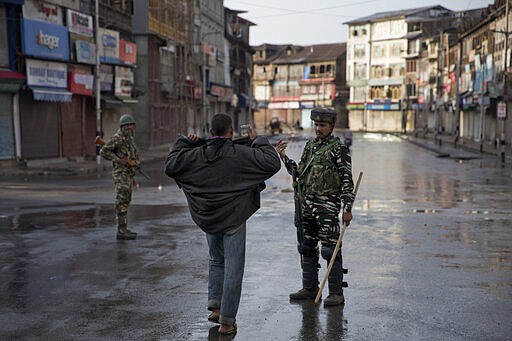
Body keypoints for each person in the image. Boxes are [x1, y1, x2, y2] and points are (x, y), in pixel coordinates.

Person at [164, 113, 280, 335]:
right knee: (233, 268)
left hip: (208, 217)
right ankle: (227, 322)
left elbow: (171, 164)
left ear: (210, 133)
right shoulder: (241, 154)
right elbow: (272, 162)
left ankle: (216, 307)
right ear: (232, 132)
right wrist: (258, 139)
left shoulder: (196, 154)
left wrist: (184, 141)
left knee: (217, 260)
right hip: (234, 218)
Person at [275, 107, 355, 307]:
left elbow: (347, 181)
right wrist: (283, 156)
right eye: (316, 125)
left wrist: (347, 208)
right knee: (306, 247)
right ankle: (310, 288)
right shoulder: (310, 146)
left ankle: (336, 293)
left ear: (331, 126)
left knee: (330, 249)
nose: (318, 128)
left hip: (327, 207)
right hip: (306, 206)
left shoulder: (338, 149)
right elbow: (299, 173)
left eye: (322, 125)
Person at [100, 114, 140, 240]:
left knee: (126, 200)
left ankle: (124, 228)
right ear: (122, 126)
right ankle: (121, 230)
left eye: (131, 125)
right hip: (120, 174)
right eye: (126, 125)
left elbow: (132, 157)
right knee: (121, 200)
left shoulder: (130, 139)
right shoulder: (117, 138)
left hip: (128, 174)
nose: (129, 127)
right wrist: (118, 160)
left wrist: (133, 174)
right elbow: (103, 151)